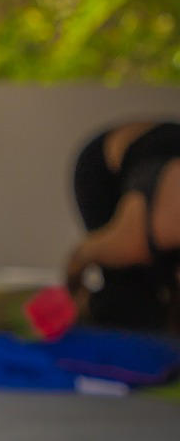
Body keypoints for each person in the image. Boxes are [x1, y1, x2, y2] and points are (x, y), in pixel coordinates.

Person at [66, 120, 180, 332]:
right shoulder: (135, 243)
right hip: (105, 164)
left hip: (162, 159)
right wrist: (73, 299)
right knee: (128, 298)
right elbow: (80, 256)